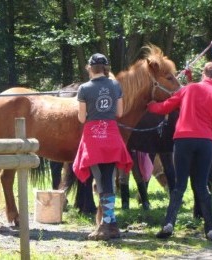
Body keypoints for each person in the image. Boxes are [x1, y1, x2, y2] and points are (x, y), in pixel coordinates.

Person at [147, 62, 212, 241]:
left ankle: (168, 224)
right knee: (202, 185)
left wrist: (150, 106)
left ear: (203, 74)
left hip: (183, 141)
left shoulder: (189, 89)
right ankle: (210, 229)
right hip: (205, 143)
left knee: (180, 185)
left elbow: (166, 106)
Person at [73, 53, 133, 241]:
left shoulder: (84, 88)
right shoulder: (115, 85)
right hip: (112, 137)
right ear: (106, 69)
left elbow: (81, 118)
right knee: (108, 178)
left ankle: (107, 226)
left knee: (102, 181)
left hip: (94, 139)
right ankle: (110, 223)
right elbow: (120, 112)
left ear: (90, 68)